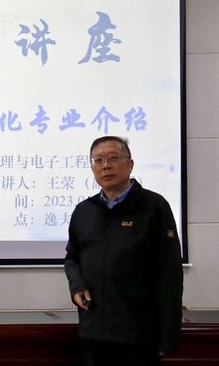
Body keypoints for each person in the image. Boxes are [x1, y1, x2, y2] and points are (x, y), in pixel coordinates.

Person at [64, 136, 183, 366]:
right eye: (98, 160)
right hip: (94, 331)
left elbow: (170, 274)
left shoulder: (154, 206)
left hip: (139, 334)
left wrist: (168, 335)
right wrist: (77, 286)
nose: (105, 166)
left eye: (113, 158)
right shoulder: (84, 211)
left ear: (130, 164)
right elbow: (72, 257)